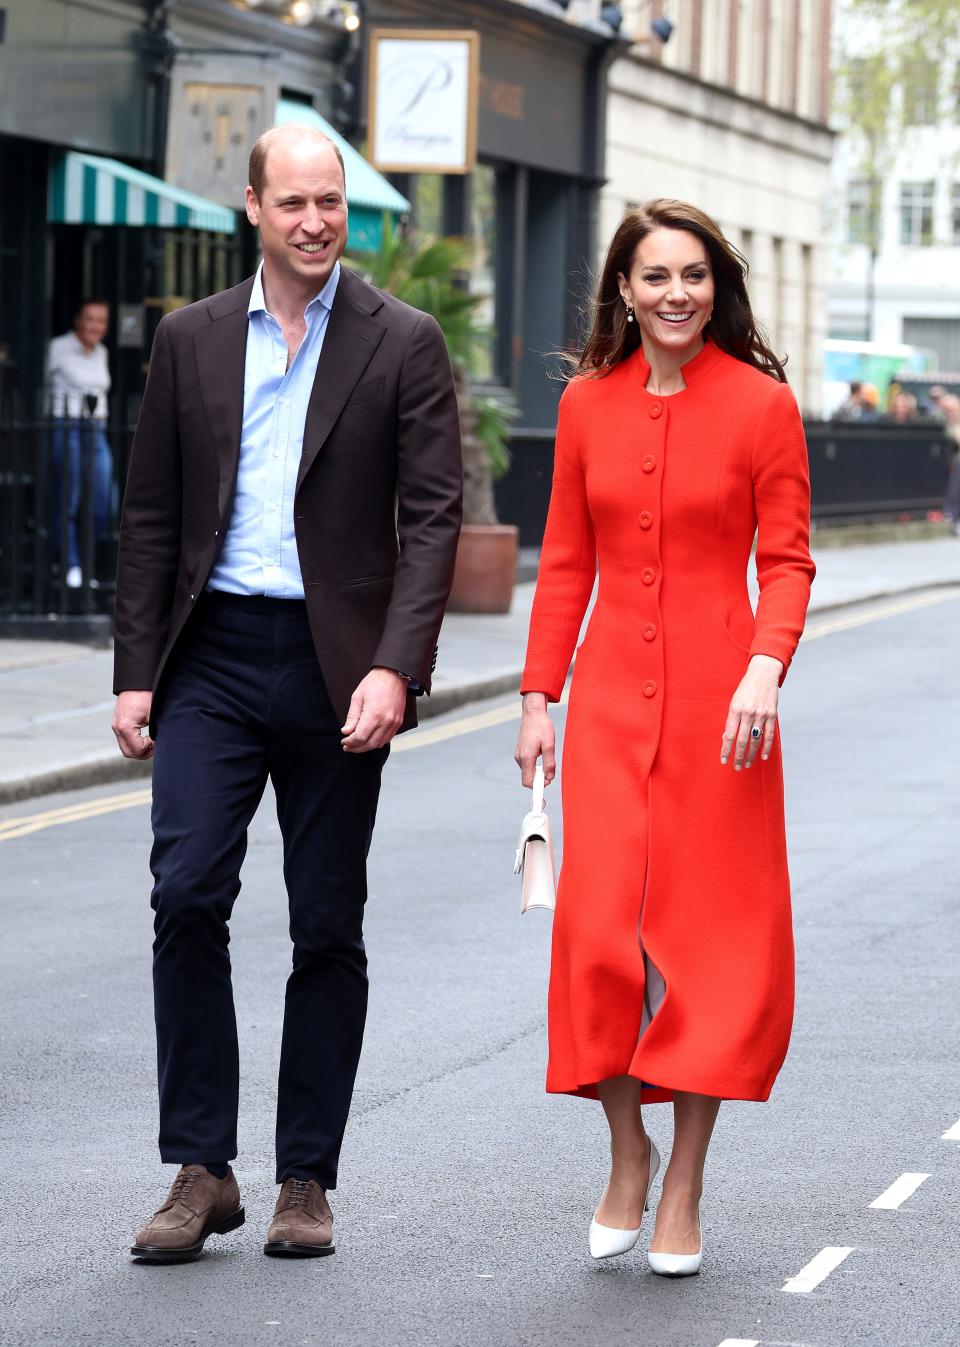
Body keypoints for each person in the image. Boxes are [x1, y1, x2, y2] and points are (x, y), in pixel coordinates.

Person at [112, 123, 462, 1263]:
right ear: (253, 208)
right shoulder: (190, 339)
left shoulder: (402, 341)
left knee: (326, 925)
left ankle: (304, 1179)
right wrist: (134, 674)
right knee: (186, 893)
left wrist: (394, 668)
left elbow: (430, 520)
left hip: (336, 662)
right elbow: (153, 515)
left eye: (334, 206)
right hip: (211, 653)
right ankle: (200, 1168)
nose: (317, 223)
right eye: (296, 203)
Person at [515, 199, 815, 1277]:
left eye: (693, 275)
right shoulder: (588, 406)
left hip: (723, 722)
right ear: (625, 291)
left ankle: (683, 1183)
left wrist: (764, 670)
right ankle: (625, 1150)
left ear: (716, 287)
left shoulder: (763, 407)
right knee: (598, 947)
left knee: (706, 959)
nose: (675, 293)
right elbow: (562, 565)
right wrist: (539, 697)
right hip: (604, 711)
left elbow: (787, 563)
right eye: (655, 277)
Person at [47, 299, 114, 588]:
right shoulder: (57, 348)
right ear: (77, 320)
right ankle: (70, 564)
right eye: (90, 319)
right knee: (68, 499)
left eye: (101, 321)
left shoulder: (102, 352)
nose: (95, 327)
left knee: (104, 502)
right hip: (67, 426)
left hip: (96, 429)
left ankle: (85, 561)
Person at [929, 385, 960, 532]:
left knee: (955, 490)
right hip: (943, 461)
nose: (951, 412)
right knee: (951, 490)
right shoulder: (940, 419)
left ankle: (952, 516)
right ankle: (949, 516)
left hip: (956, 461)